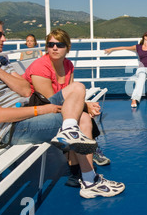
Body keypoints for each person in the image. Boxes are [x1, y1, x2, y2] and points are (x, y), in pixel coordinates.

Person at [0, 17, 124, 199]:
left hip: (28, 113)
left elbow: (24, 90)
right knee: (83, 118)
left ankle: (69, 131)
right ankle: (89, 181)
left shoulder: (0, 63)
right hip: (13, 129)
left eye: (4, 34)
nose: (4, 38)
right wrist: (41, 110)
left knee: (77, 87)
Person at [23, 28, 110, 188]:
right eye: (51, 44)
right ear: (47, 47)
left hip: (56, 107)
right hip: (39, 111)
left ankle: (78, 171)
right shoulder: (40, 67)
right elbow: (51, 102)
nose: (55, 48)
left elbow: (70, 97)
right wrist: (85, 105)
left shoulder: (68, 65)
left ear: (67, 48)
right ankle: (83, 166)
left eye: (60, 44)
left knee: (79, 114)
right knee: (80, 116)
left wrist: (84, 104)